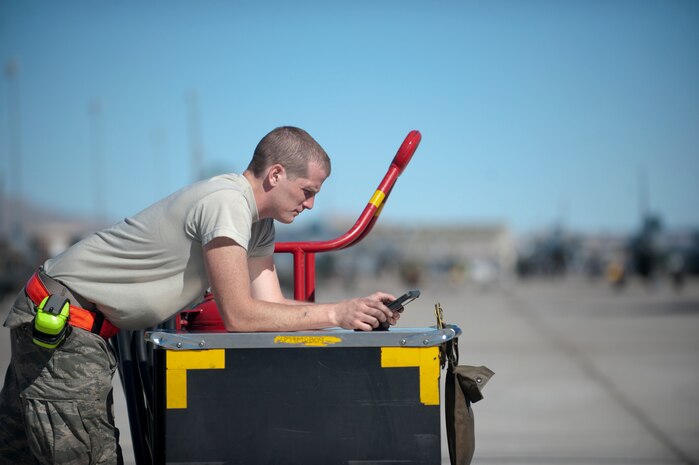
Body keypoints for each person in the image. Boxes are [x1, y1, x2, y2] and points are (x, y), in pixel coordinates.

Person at [0, 126, 399, 465]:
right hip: (64, 325)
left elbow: (271, 309)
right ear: (276, 174)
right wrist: (336, 313)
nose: (311, 204)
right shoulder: (226, 203)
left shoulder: (257, 224)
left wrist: (357, 312)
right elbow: (242, 316)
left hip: (75, 326)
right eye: (307, 190)